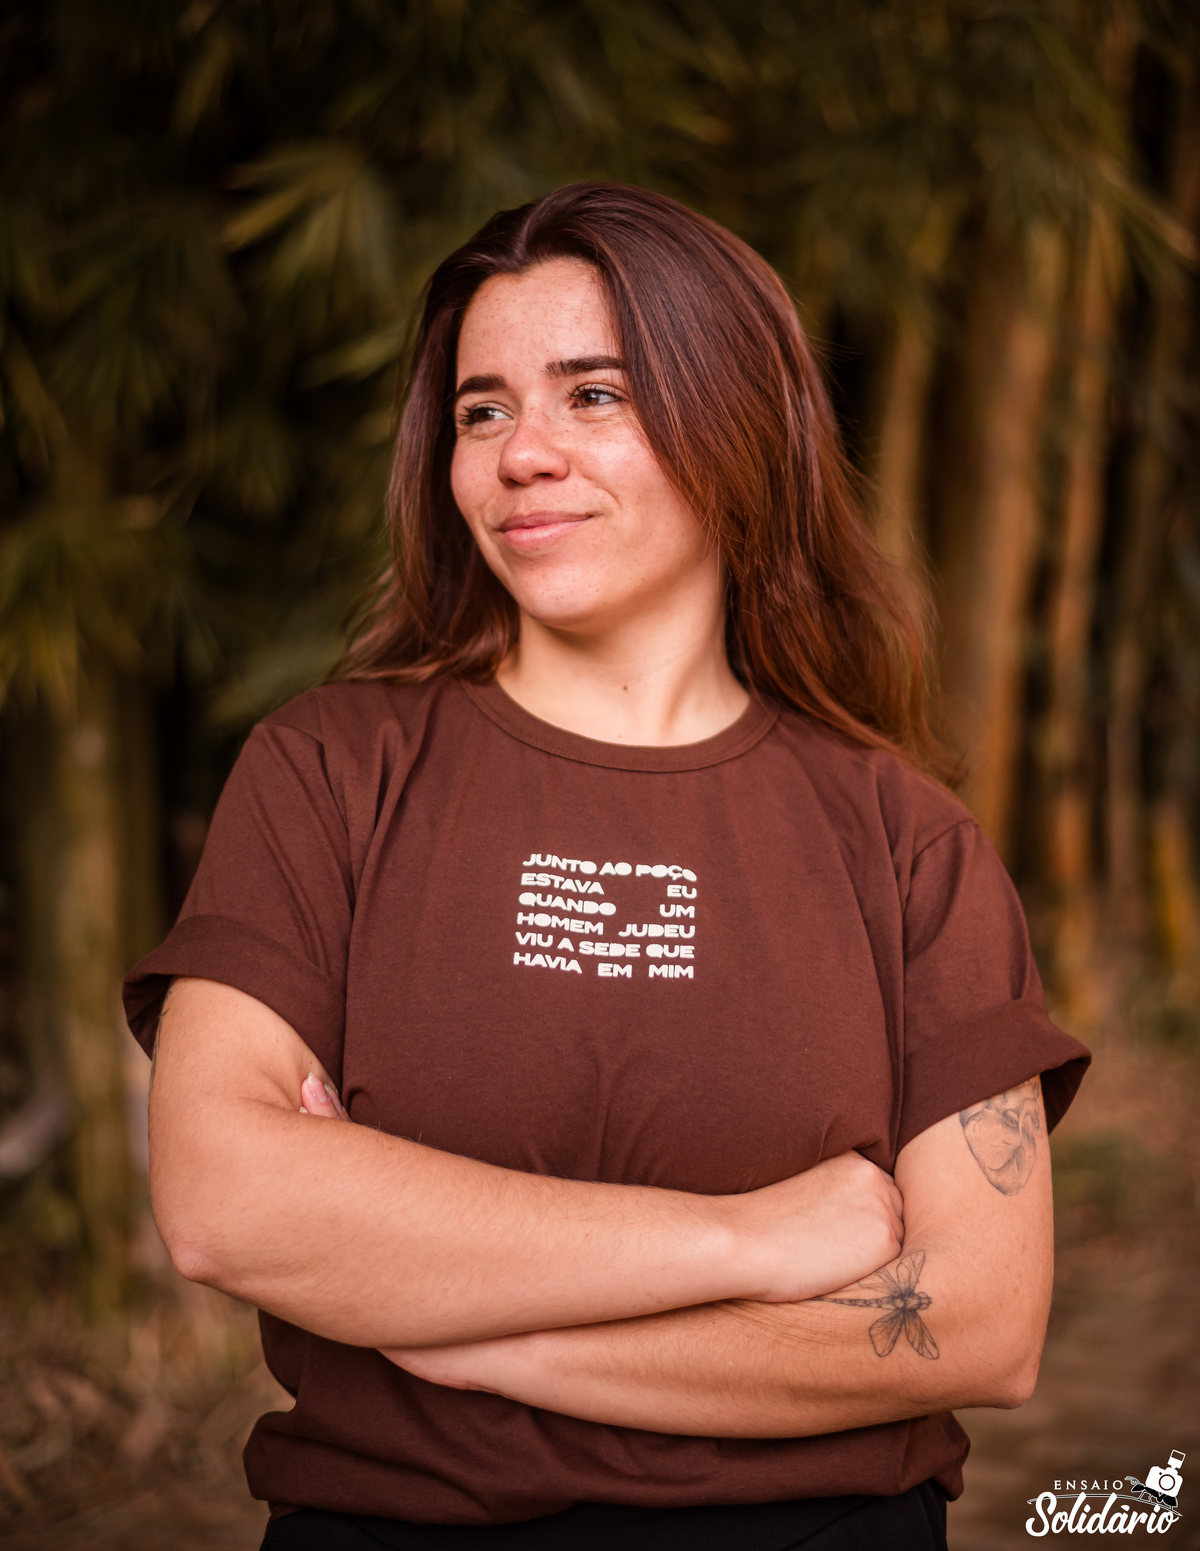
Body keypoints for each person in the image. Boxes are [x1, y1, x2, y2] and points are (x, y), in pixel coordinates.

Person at [124, 182, 1090, 1551]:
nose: (523, 453)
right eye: (482, 411)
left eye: (593, 395)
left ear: (737, 427)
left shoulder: (906, 843)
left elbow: (981, 1327)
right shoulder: (327, 771)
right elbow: (223, 1203)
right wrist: (753, 1240)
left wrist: (486, 1339)